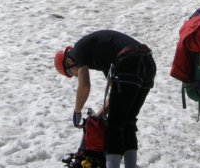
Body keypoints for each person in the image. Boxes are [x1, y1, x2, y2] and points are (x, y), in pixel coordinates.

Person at [54, 30, 156, 168]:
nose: (76, 75)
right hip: (147, 62)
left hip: (130, 60)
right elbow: (116, 91)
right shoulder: (102, 56)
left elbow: (84, 86)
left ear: (68, 61)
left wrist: (77, 111)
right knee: (127, 121)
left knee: (114, 126)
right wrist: (103, 111)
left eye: (71, 73)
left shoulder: (77, 51)